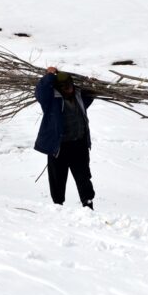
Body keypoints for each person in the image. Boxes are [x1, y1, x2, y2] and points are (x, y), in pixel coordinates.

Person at [34, 66, 96, 209]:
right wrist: (49, 75)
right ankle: (58, 207)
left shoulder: (79, 96)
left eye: (70, 86)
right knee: (57, 180)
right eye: (64, 87)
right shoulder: (50, 100)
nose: (68, 89)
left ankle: (88, 205)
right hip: (59, 147)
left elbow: (91, 94)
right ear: (58, 87)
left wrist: (92, 84)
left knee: (83, 177)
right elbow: (40, 92)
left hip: (79, 145)